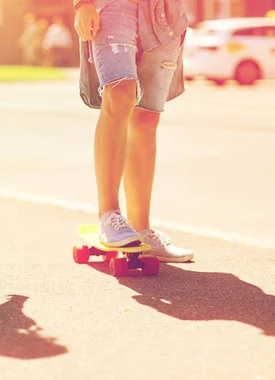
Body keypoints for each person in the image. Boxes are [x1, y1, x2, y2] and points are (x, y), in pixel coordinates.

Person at [75, 0, 194, 262]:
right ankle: (109, 215)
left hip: (165, 11)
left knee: (147, 117)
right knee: (119, 92)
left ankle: (141, 228)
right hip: (113, 5)